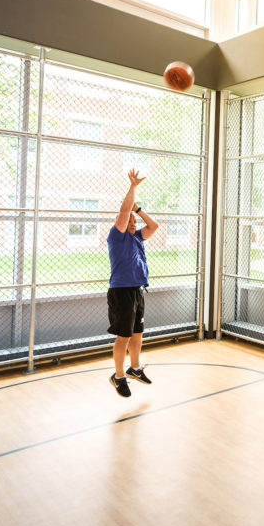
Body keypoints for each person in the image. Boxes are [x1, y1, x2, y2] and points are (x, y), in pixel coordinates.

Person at [106, 169, 159, 397]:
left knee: (137, 333)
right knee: (124, 336)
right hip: (121, 291)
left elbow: (154, 226)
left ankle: (134, 369)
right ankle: (118, 377)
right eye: (129, 219)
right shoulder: (116, 236)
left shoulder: (138, 236)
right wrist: (133, 188)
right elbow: (124, 210)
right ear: (121, 221)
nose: (133, 221)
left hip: (138, 290)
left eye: (134, 220)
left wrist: (139, 209)